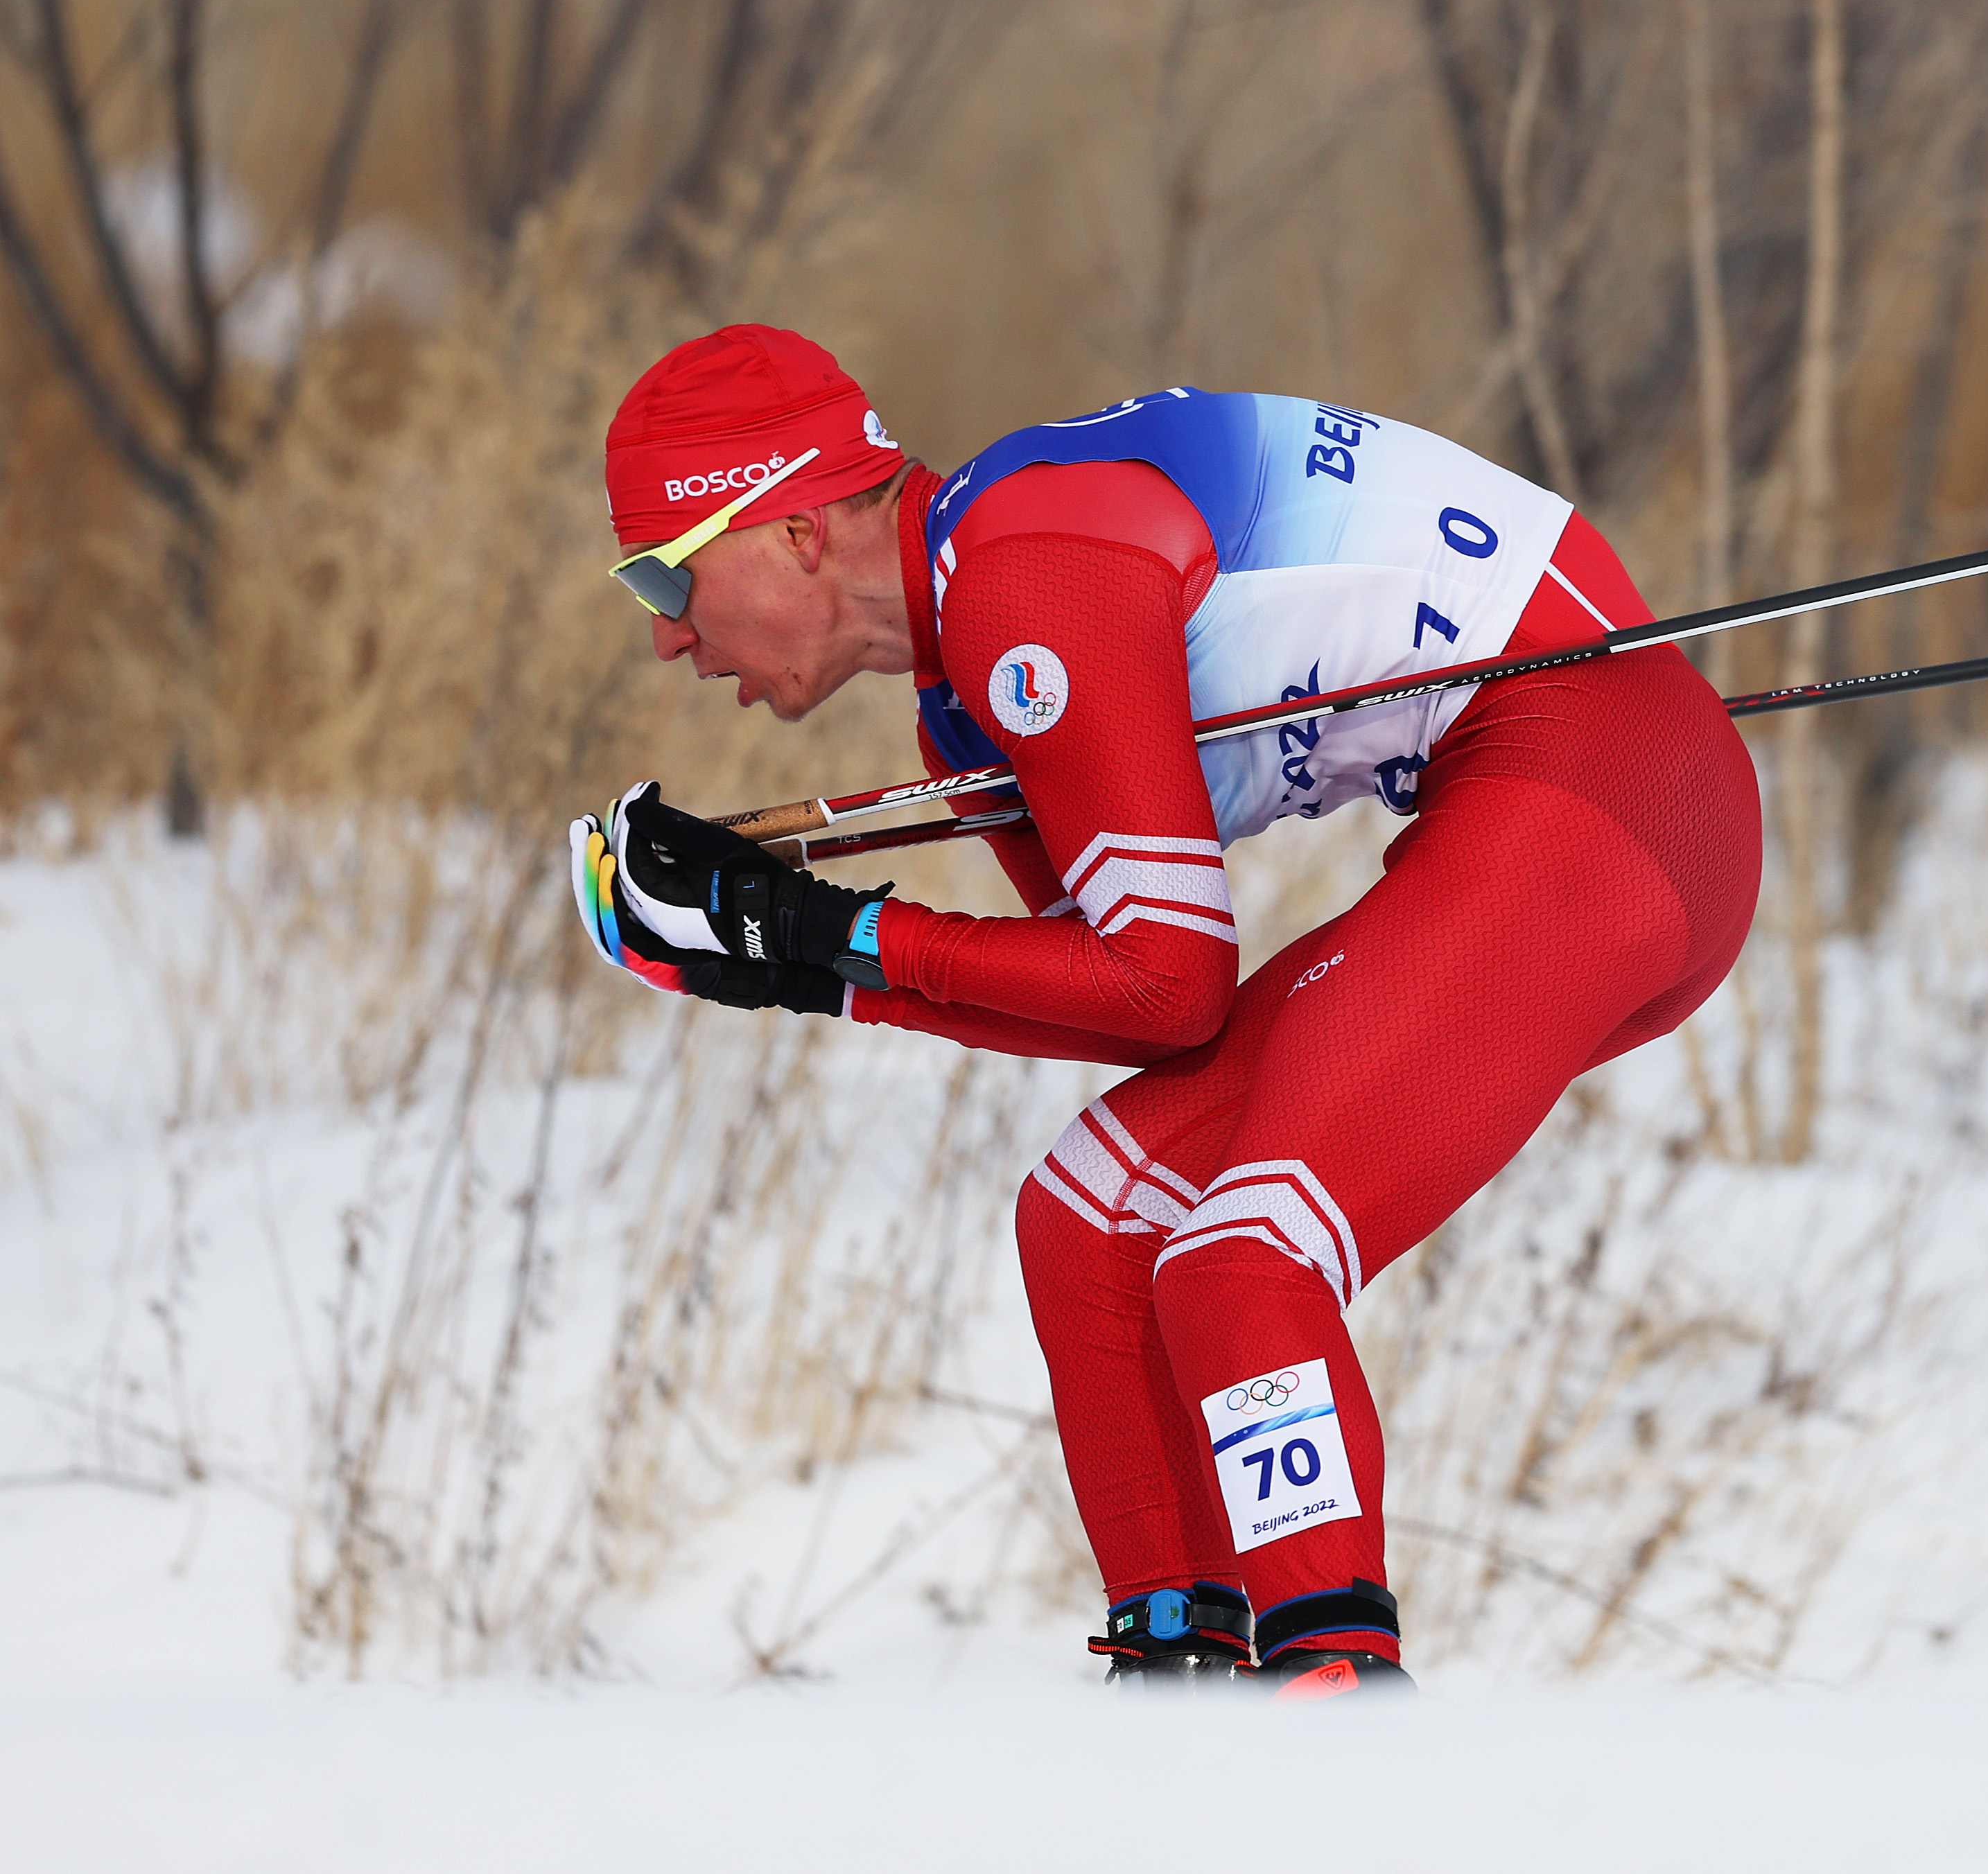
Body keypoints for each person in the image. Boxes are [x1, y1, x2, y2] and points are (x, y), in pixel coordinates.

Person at [570, 324, 1761, 1701]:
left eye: (663, 572)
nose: (662, 633)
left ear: (786, 531)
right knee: (1087, 1218)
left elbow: (1165, 977)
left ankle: (1335, 1700)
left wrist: (822, 934)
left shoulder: (1021, 570)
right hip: (1545, 805)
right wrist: (810, 961)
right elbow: (1139, 1011)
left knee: (1241, 1258)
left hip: (1601, 782)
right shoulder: (967, 706)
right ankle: (1177, 1687)